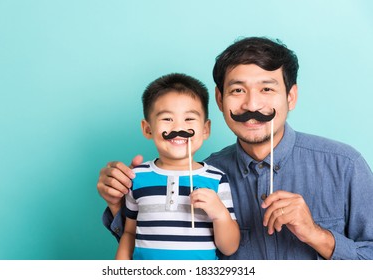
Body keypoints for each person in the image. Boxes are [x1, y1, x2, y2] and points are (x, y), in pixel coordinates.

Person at [98, 37, 373, 260]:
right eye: (238, 90)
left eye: (267, 89)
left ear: (291, 96)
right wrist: (117, 204)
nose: (252, 105)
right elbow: (160, 246)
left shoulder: (344, 165)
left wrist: (315, 234)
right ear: (219, 99)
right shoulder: (204, 175)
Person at [114, 73, 240, 260]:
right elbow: (129, 233)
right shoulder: (137, 177)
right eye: (167, 119)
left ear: (205, 129)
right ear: (147, 129)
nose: (178, 127)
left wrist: (220, 214)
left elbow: (229, 248)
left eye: (189, 119)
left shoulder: (216, 178)